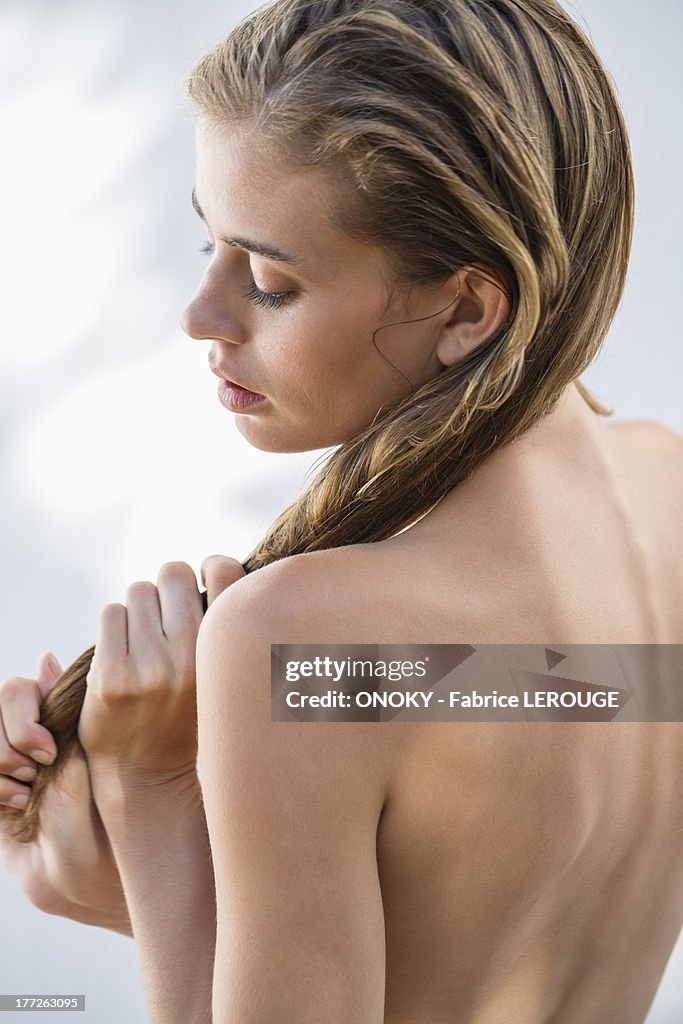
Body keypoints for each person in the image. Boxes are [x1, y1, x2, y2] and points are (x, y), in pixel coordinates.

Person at [1, 0, 682, 1020]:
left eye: (270, 279)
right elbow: (467, 913)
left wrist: (149, 801)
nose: (201, 317)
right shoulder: (663, 485)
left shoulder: (307, 637)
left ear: (464, 309)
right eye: (209, 249)